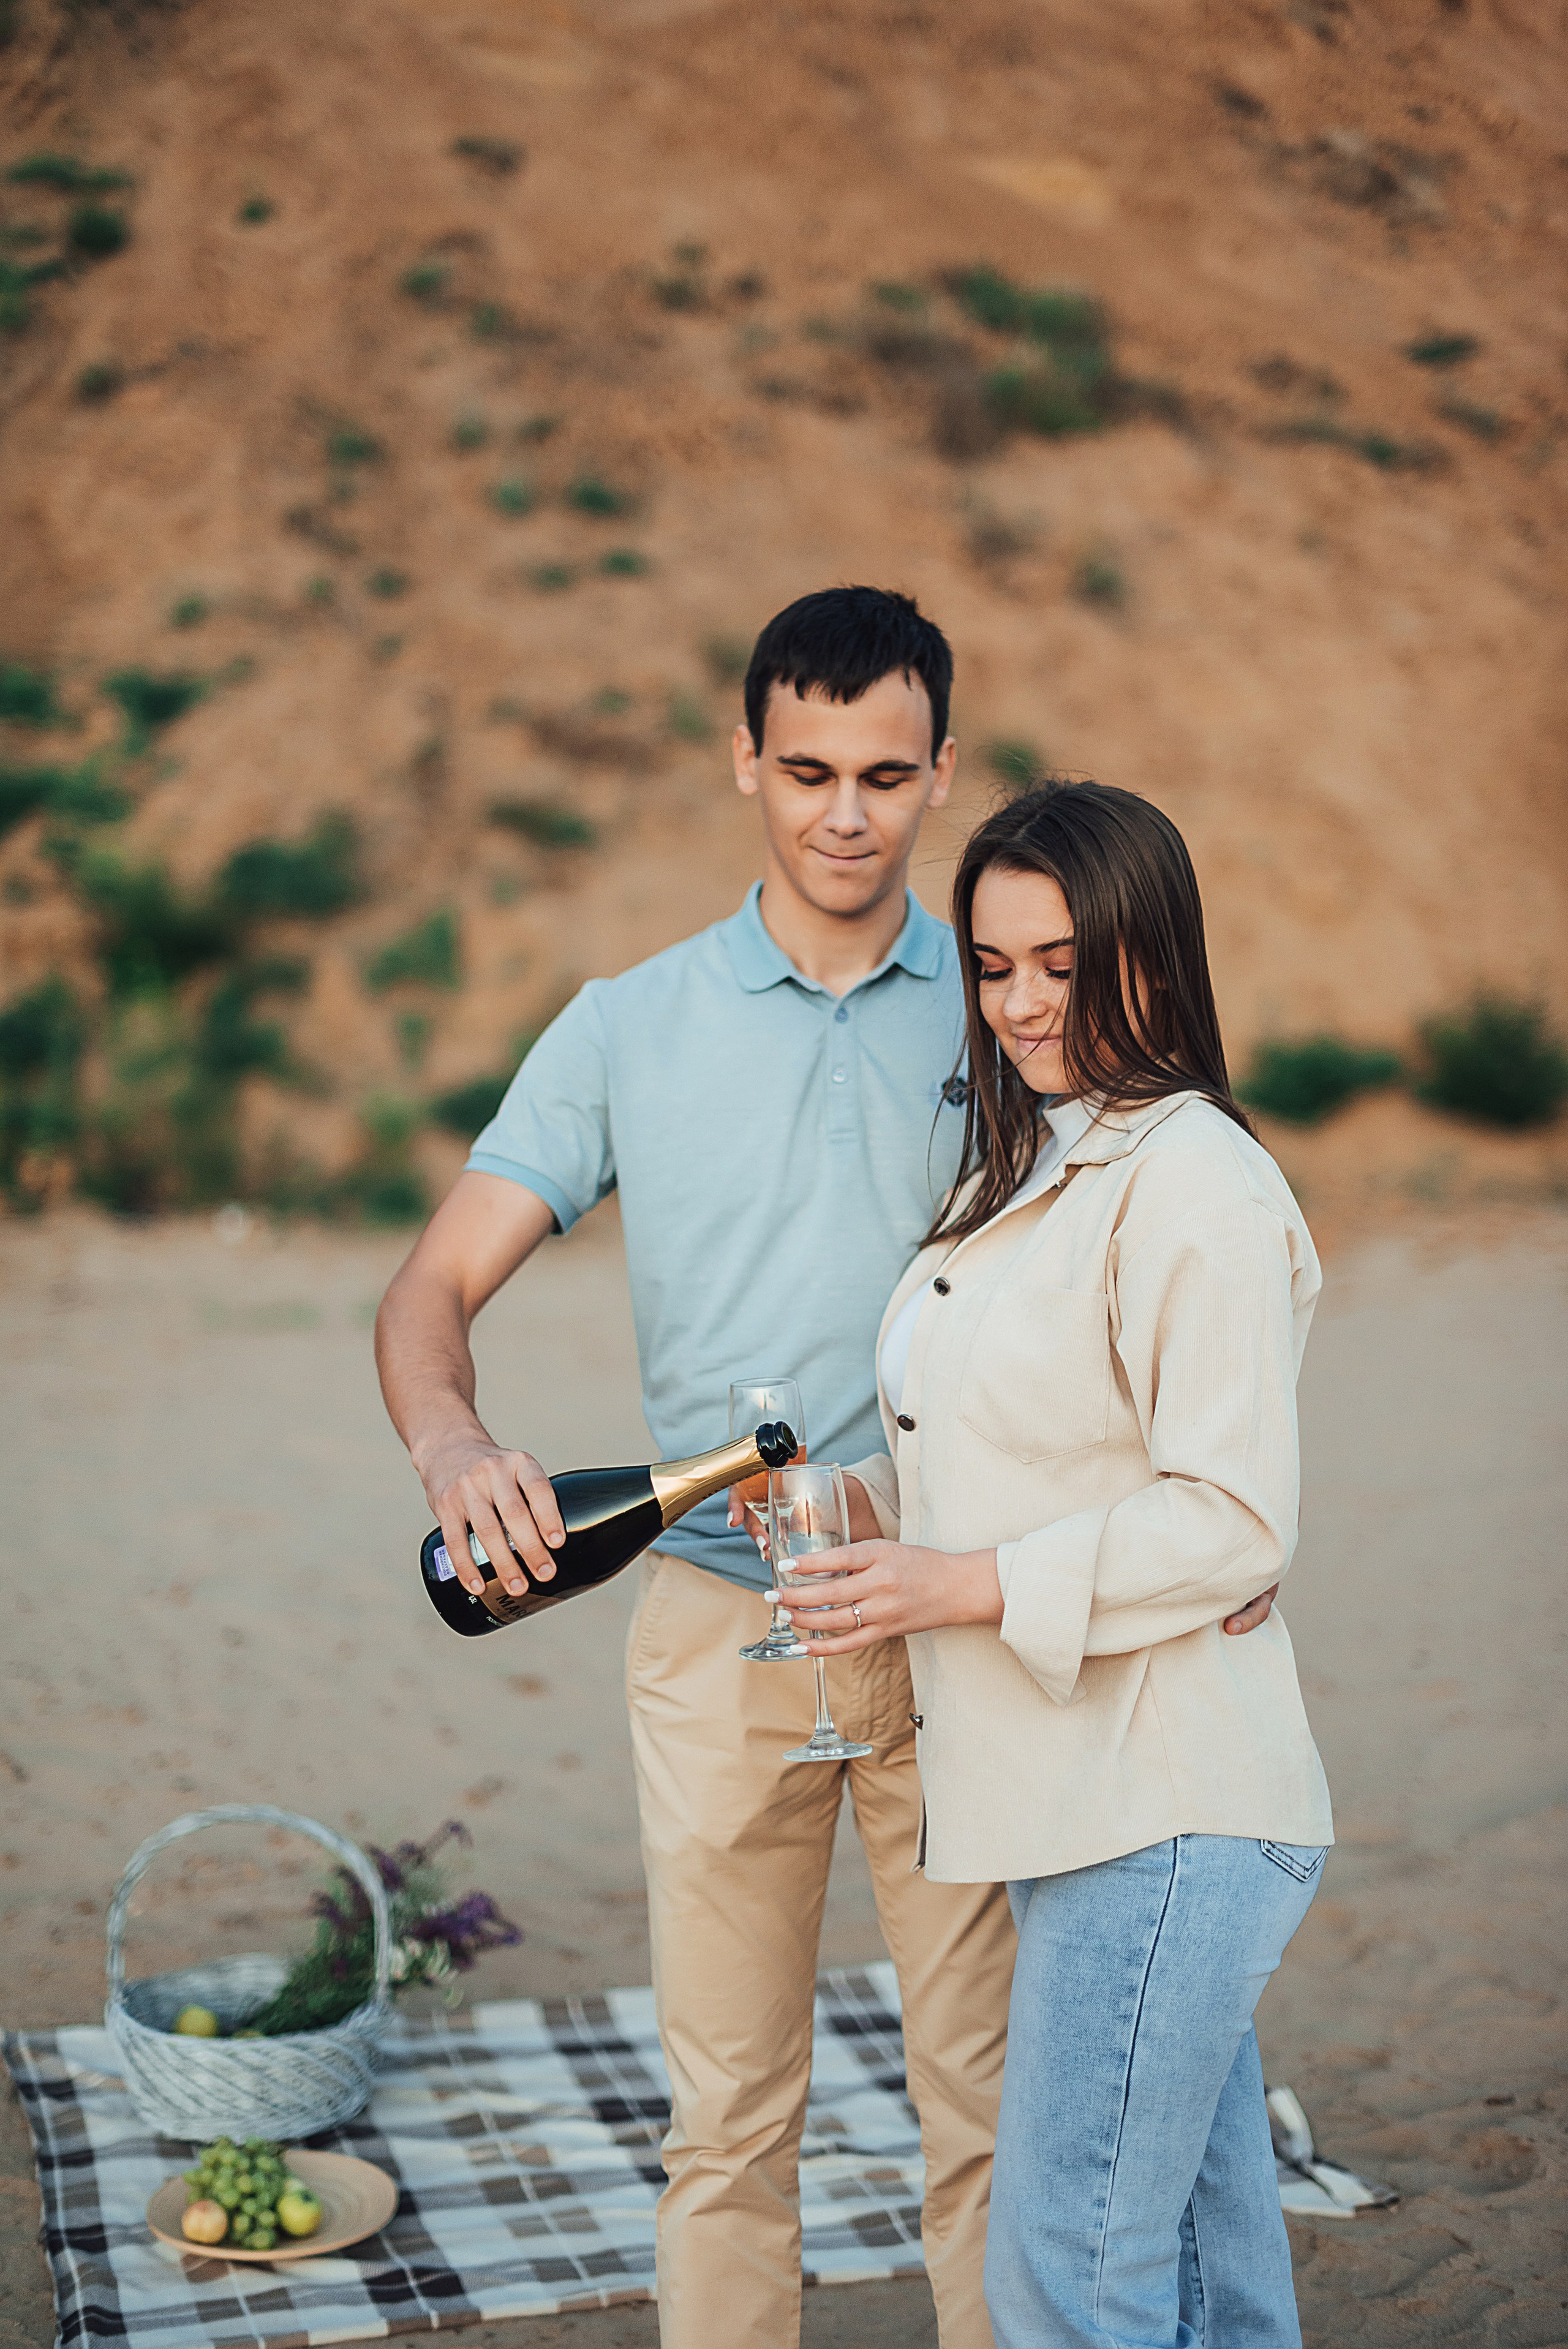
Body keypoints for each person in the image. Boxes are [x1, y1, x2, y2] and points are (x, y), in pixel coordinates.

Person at [376, 587, 1022, 2349]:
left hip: (954, 1627)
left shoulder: (1002, 1009)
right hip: (711, 1633)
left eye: (887, 775)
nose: (843, 813)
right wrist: (454, 1437)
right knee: (728, 2123)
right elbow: (431, 1284)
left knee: (991, 2114)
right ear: (744, 756)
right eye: (805, 768)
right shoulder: (625, 1024)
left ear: (943, 774)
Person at [772, 779, 1333, 2349]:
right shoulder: (1032, 1164)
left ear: (1151, 954)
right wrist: (863, 1507)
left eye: (1062, 964)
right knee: (1210, 2278)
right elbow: (1012, 1444)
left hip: (1167, 1810)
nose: (1020, 1002)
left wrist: (951, 1586)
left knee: (1063, 2279)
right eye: (993, 964)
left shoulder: (1193, 1183)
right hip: (1081, 1802)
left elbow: (1230, 1517)